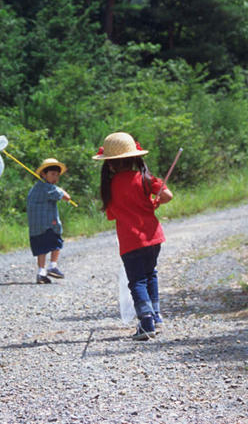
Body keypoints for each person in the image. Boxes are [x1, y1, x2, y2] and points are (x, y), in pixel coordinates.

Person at [93, 132, 173, 340]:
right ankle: (156, 317)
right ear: (135, 158)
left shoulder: (109, 187)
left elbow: (112, 215)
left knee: (136, 280)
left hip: (130, 242)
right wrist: (154, 203)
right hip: (153, 237)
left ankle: (146, 323)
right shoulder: (145, 179)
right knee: (150, 275)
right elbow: (167, 195)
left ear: (109, 165)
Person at [27, 158, 72, 284]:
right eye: (52, 174)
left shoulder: (36, 188)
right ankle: (53, 266)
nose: (55, 177)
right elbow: (67, 197)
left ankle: (41, 272)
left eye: (57, 175)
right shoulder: (49, 188)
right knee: (56, 243)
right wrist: (59, 188)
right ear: (43, 174)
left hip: (35, 227)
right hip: (49, 224)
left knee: (41, 248)